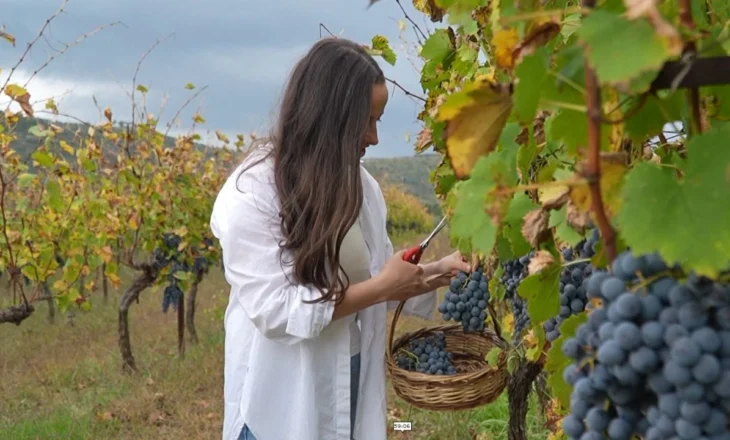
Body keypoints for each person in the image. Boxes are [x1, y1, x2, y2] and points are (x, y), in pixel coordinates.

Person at [210, 37, 471, 440]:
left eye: (378, 120)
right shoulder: (253, 192)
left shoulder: (362, 187)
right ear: (329, 118)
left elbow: (376, 273)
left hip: (349, 376)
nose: (374, 137)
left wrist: (436, 271)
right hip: (281, 402)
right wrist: (384, 286)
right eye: (366, 121)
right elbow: (277, 311)